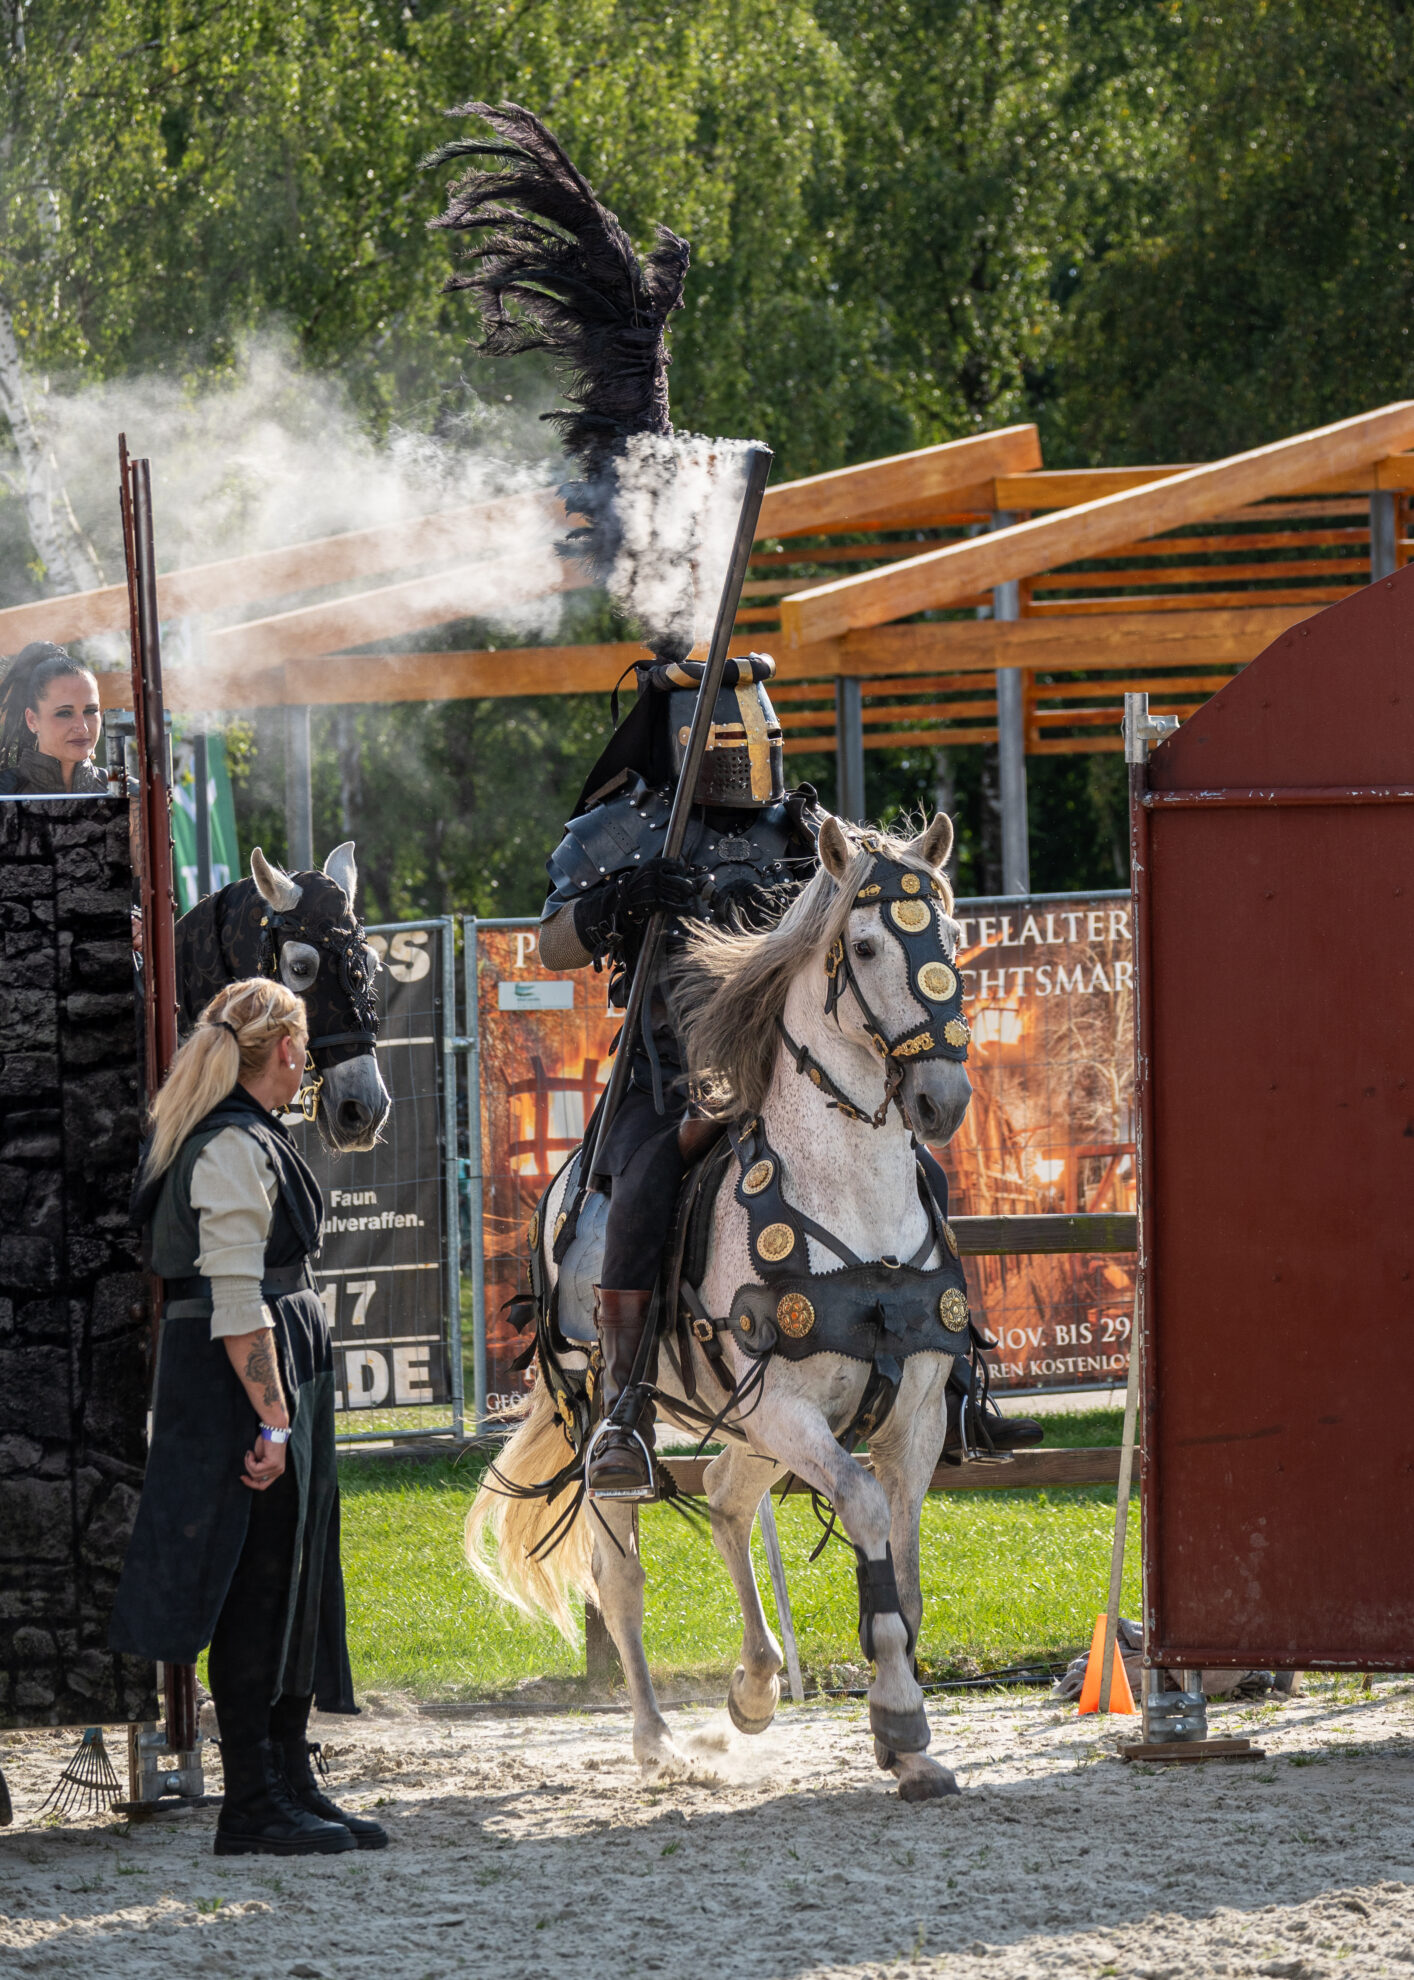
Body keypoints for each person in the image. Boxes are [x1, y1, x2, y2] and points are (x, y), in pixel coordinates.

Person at [542, 655, 1043, 1495]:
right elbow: (555, 942)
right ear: (686, 742)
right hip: (669, 1071)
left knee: (918, 1172)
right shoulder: (624, 827)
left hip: (790, 1066)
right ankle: (625, 1410)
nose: (753, 754)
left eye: (763, 738)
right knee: (647, 1184)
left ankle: (955, 1384)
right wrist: (621, 900)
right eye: (733, 741)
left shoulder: (804, 827)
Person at [109, 978, 387, 1857]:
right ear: (289, 1051)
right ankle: (252, 1805)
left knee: (293, 1579)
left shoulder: (249, 1131)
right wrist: (271, 1422)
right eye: (304, 1046)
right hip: (238, 1382)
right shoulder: (228, 1144)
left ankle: (289, 1779)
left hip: (276, 1369)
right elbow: (236, 1304)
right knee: (254, 1587)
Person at [0, 642, 106, 795]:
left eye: (90, 711)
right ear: (32, 720)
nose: (82, 727)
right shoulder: (5, 793)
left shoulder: (128, 793)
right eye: (65, 713)